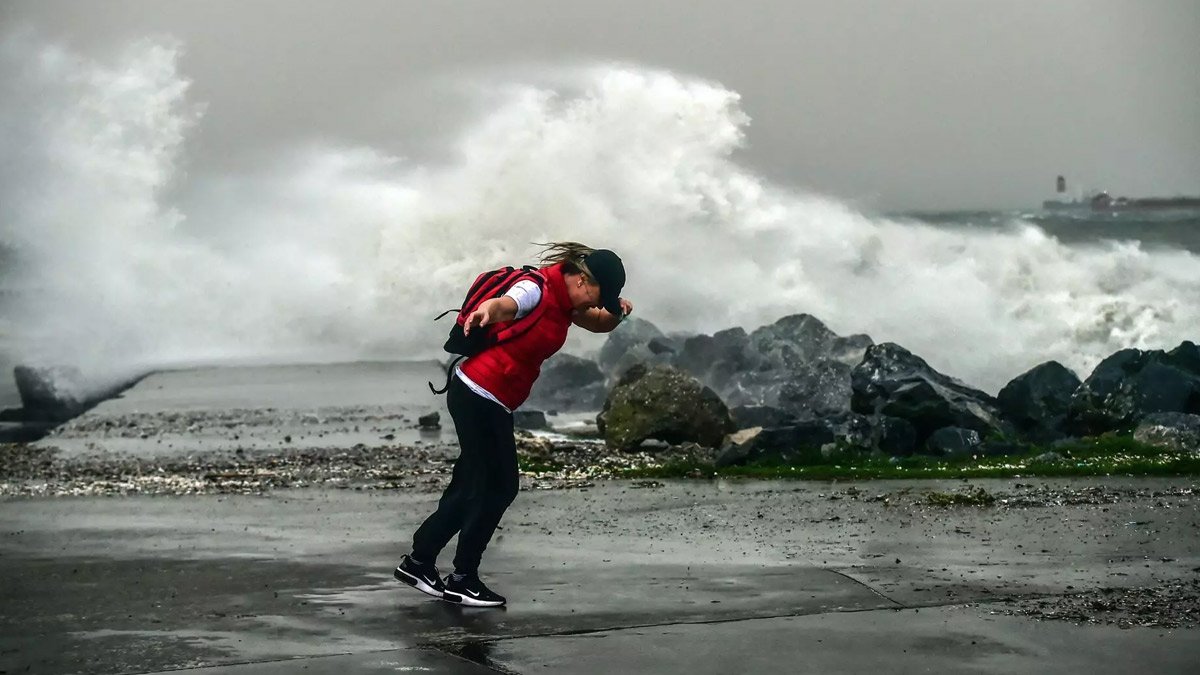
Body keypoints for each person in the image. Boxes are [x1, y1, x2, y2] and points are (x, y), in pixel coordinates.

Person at [394, 242, 632, 607]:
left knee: (472, 483)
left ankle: (419, 562)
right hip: (478, 395)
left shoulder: (566, 304)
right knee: (498, 487)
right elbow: (508, 304)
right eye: (603, 295)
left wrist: (618, 313)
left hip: (488, 398)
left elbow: (600, 324)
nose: (599, 304)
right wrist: (487, 312)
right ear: (583, 280)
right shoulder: (536, 289)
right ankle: (462, 578)